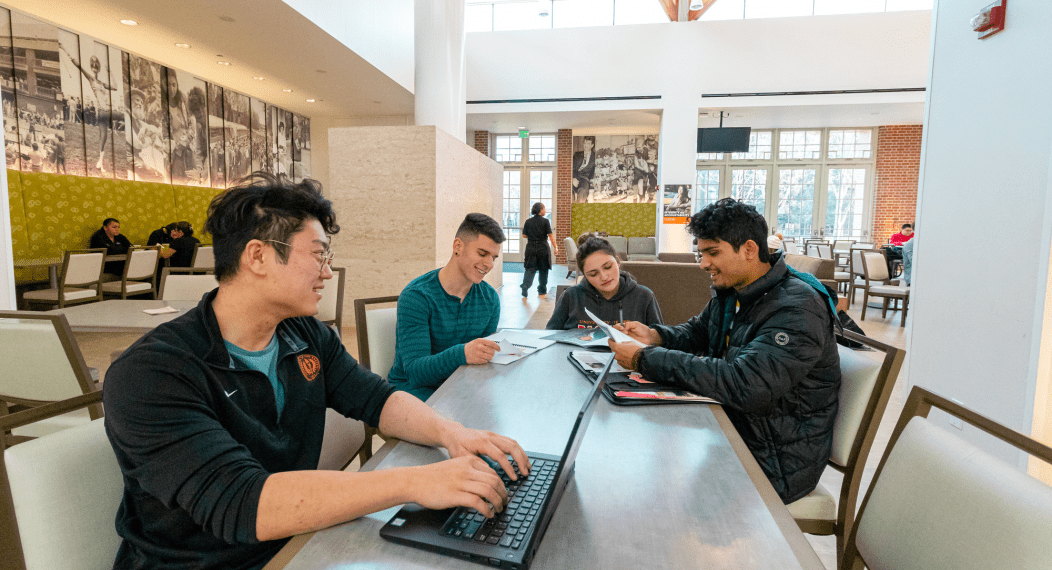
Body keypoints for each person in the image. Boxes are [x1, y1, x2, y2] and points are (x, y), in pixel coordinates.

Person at [103, 173, 529, 570]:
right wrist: (416, 482)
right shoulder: (151, 372)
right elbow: (244, 504)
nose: (327, 271)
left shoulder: (303, 333)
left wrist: (453, 434)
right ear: (258, 256)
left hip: (300, 539)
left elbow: (376, 399)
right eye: (318, 255)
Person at [607, 198, 841, 503]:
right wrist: (655, 336)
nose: (703, 264)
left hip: (776, 460)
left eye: (712, 253)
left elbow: (746, 384)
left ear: (749, 249)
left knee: (648, 486)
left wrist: (644, 358)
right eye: (701, 253)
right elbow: (698, 333)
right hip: (738, 430)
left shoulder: (797, 307)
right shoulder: (735, 289)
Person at [387, 213, 504, 402]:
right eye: (482, 254)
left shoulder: (490, 299)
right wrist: (464, 353)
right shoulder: (417, 297)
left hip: (461, 389)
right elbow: (416, 373)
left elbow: (481, 363)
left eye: (494, 257)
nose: (489, 264)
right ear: (458, 246)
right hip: (413, 394)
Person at [546, 235, 662, 330]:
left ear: (617, 262)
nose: (604, 276)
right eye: (593, 274)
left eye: (607, 267)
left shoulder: (644, 297)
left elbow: (658, 342)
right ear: (585, 275)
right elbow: (550, 336)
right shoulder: (571, 296)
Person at [520, 202, 558, 298]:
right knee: (543, 269)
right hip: (542, 247)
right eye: (544, 209)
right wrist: (555, 247)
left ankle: (525, 285)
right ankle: (542, 290)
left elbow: (524, 235)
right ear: (540, 210)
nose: (545, 211)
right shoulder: (545, 221)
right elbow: (550, 235)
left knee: (530, 268)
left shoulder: (528, 221)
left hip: (531, 247)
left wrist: (533, 236)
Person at [572, 136, 597, 203]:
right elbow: (572, 167)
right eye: (585, 143)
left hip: (585, 178)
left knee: (583, 190)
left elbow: (593, 172)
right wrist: (573, 178)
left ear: (592, 145)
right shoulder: (577, 154)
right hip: (574, 177)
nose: (585, 145)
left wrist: (591, 188)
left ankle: (579, 209)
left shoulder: (595, 156)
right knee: (568, 190)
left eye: (588, 143)